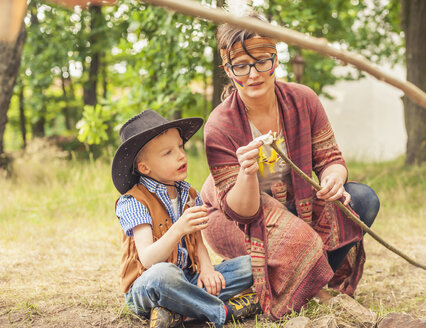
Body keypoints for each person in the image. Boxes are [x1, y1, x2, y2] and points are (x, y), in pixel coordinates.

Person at [200, 15, 380, 320]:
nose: (254, 74)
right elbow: (241, 211)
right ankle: (310, 290)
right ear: (228, 70)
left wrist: (333, 179)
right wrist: (246, 174)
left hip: (299, 206)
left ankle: (299, 282)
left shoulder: (303, 100)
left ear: (275, 59)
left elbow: (330, 159)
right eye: (241, 66)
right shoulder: (220, 125)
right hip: (233, 219)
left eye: (262, 62)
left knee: (362, 200)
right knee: (300, 239)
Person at [112, 109, 260, 328]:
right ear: (144, 167)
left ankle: (176, 311)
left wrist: (207, 268)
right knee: (165, 274)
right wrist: (178, 228)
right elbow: (148, 259)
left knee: (252, 265)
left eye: (180, 147)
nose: (181, 155)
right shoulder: (134, 201)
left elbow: (197, 239)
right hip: (148, 286)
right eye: (168, 153)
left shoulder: (187, 193)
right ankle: (222, 310)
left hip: (188, 280)